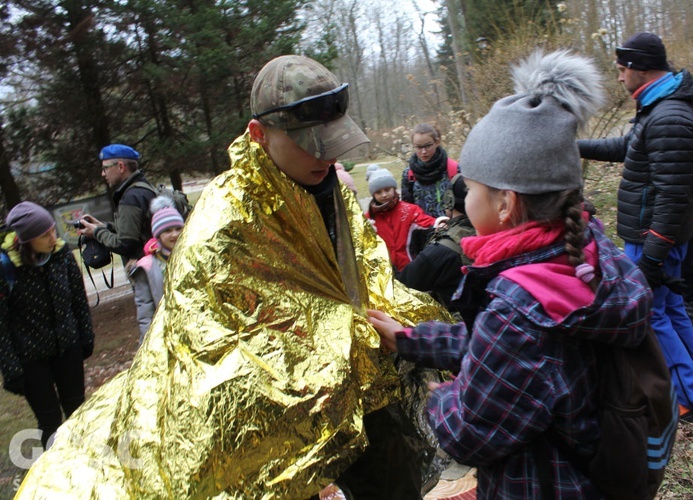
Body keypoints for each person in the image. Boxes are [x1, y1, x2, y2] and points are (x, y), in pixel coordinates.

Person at [16, 55, 451, 499]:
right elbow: (208, 339)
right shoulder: (225, 217)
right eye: (309, 142)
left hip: (360, 384)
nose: (327, 154)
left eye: (332, 139)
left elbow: (360, 276)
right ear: (259, 135)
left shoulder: (331, 189)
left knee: (395, 483)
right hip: (268, 416)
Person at [368, 49, 655, 499]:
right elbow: (503, 351)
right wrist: (410, 340)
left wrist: (438, 395)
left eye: (472, 191)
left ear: (506, 204)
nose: (463, 204)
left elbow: (467, 432)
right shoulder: (581, 256)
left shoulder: (522, 308)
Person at [578, 32, 693, 422]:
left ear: (640, 67)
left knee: (653, 313)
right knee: (671, 308)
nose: (619, 77)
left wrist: (652, 257)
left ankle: (688, 397)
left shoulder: (669, 116)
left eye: (622, 70)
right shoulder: (660, 106)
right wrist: (573, 144)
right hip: (656, 232)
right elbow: (629, 148)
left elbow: (673, 196)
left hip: (654, 235)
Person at [0, 202, 94, 449]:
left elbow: (78, 299)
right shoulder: (7, 268)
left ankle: (85, 462)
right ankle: (56, 471)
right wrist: (11, 367)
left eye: (53, 230)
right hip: (31, 358)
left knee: (77, 411)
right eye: (45, 235)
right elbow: (2, 323)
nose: (54, 237)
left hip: (67, 347)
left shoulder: (62, 255)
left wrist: (85, 335)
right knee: (50, 420)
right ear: (27, 239)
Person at [398, 174, 475, 312]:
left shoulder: (441, 250)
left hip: (453, 329)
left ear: (449, 201)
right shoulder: (492, 232)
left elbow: (401, 286)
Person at [77, 144, 157, 266]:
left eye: (105, 168)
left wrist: (97, 232)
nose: (103, 174)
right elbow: (138, 231)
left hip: (149, 270)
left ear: (120, 166)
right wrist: (105, 226)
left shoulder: (131, 198)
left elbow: (125, 244)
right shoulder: (143, 188)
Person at [129, 196, 185, 345]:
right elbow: (145, 312)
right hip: (167, 335)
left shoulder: (191, 257)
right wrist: (151, 343)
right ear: (158, 235)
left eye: (178, 228)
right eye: (167, 230)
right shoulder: (147, 267)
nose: (174, 234)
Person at [366, 168, 437, 272]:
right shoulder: (369, 218)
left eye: (387, 190)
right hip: (385, 271)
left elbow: (425, 221)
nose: (384, 195)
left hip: (409, 267)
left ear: (394, 189)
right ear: (373, 195)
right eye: (378, 192)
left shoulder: (409, 210)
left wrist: (438, 223)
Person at [401, 123, 459, 217]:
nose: (423, 151)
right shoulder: (409, 174)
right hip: (422, 229)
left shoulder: (454, 169)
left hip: (452, 228)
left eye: (428, 146)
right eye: (419, 147)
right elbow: (407, 211)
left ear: (437, 142)